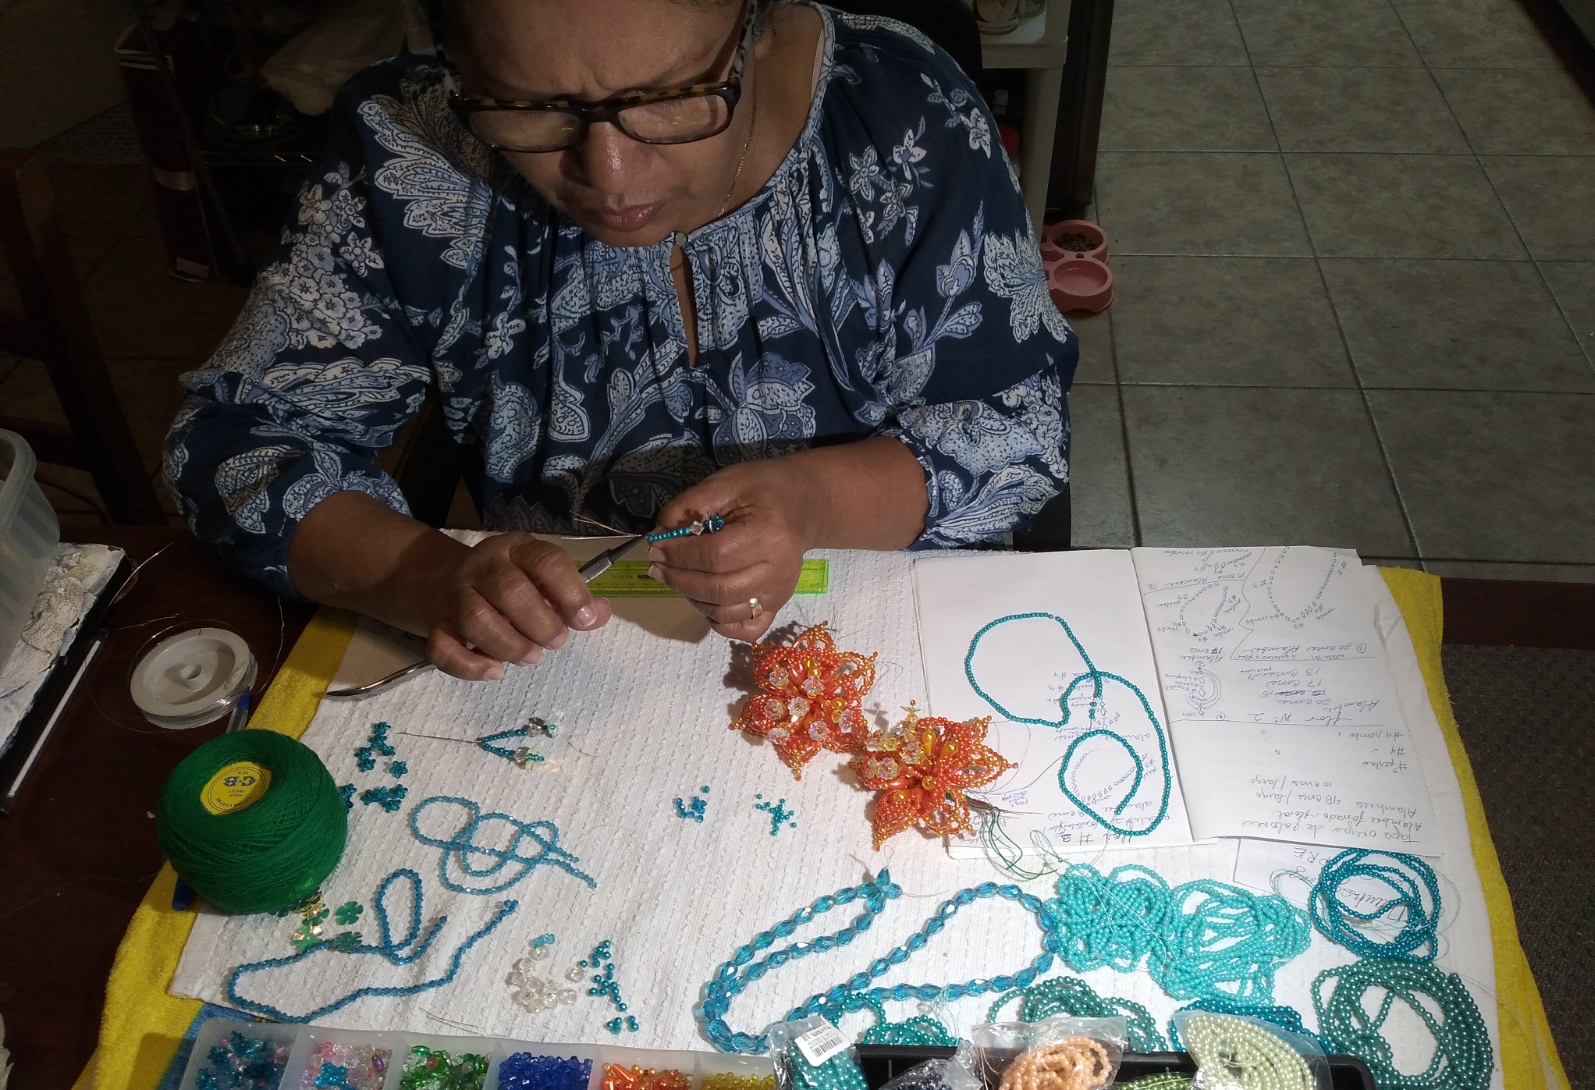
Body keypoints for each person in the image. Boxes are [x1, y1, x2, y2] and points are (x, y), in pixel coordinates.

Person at [164, 0, 1078, 680]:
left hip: (879, 624)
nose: (608, 175)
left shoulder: (898, 116)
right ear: (452, 63)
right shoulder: (408, 147)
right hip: (572, 658)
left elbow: (1018, 426)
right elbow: (239, 447)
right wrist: (426, 575)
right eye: (529, 109)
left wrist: (810, 502)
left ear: (755, 26)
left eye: (672, 98)